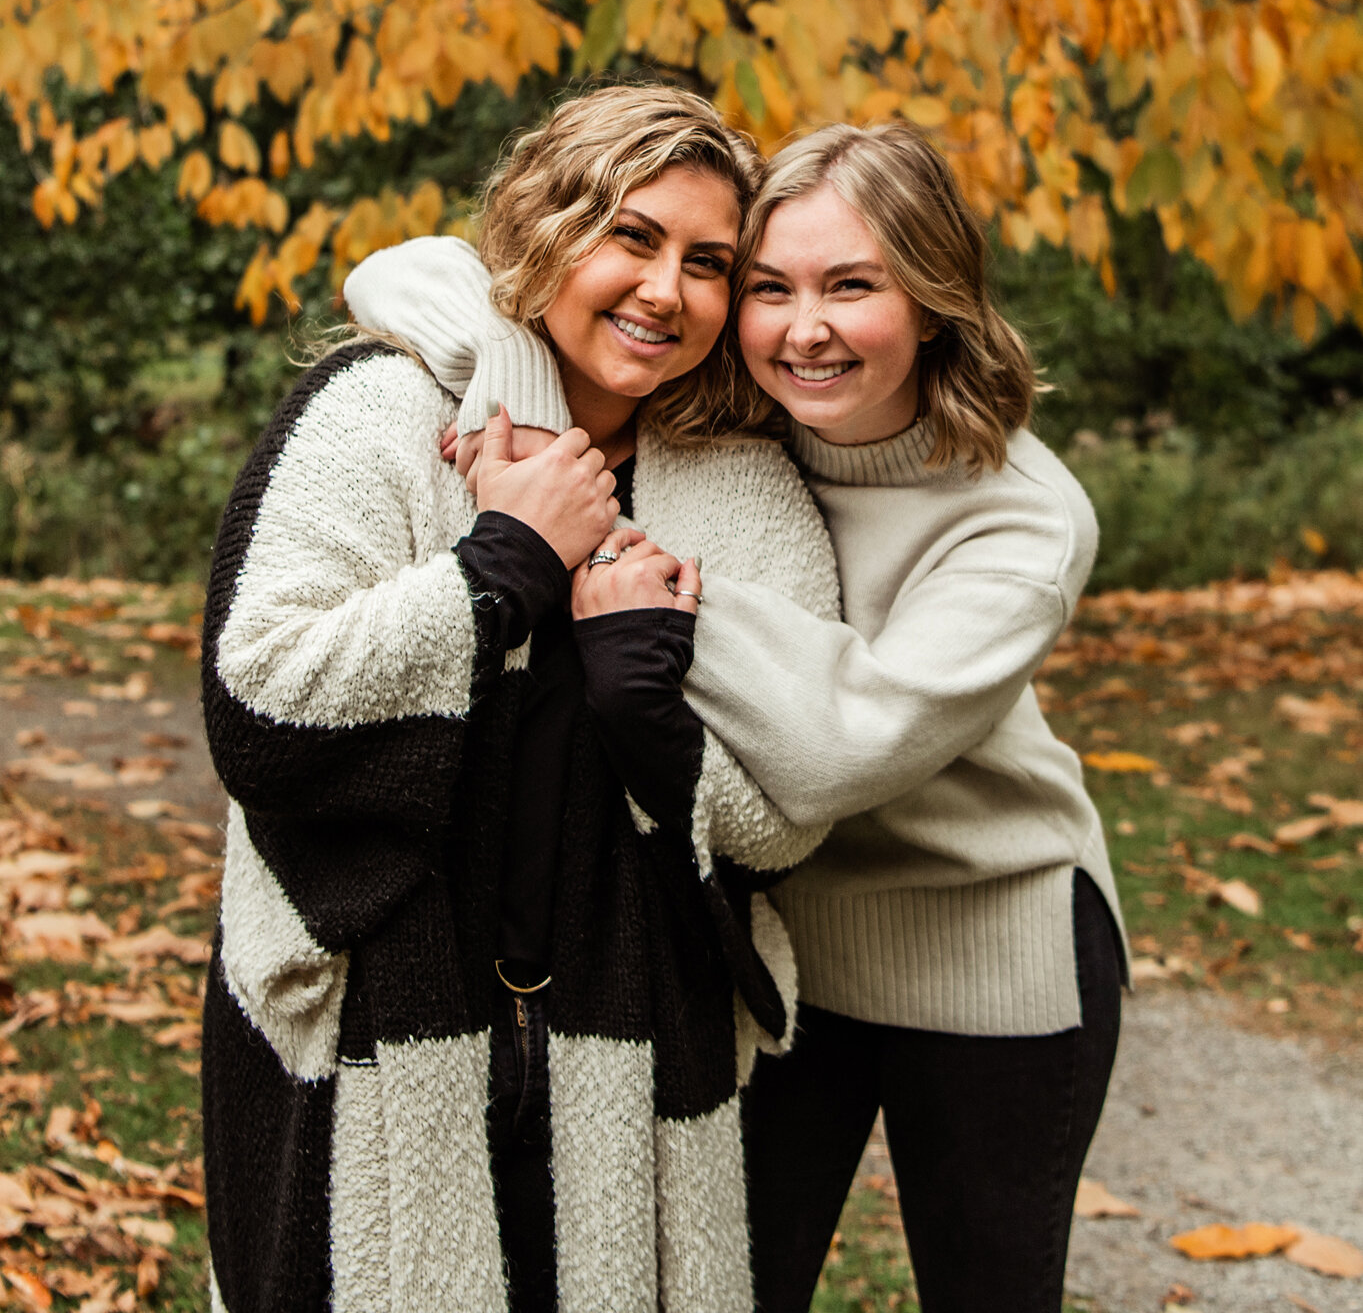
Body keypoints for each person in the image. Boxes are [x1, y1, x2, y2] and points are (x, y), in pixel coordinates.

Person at [350, 118, 1129, 1313]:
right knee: (729, 1285)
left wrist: (594, 533)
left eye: (850, 285)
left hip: (988, 939)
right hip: (777, 937)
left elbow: (846, 743)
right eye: (769, 286)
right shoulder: (755, 410)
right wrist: (521, 413)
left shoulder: (1023, 520)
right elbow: (400, 270)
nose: (802, 327)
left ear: (932, 298)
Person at [200, 83, 841, 1313]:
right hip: (377, 1035)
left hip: (632, 1044)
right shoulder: (380, 416)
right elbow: (261, 708)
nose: (667, 289)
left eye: (709, 261)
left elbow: (784, 815)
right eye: (631, 234)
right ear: (546, 227)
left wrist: (643, 690)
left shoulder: (747, 491)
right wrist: (501, 566)